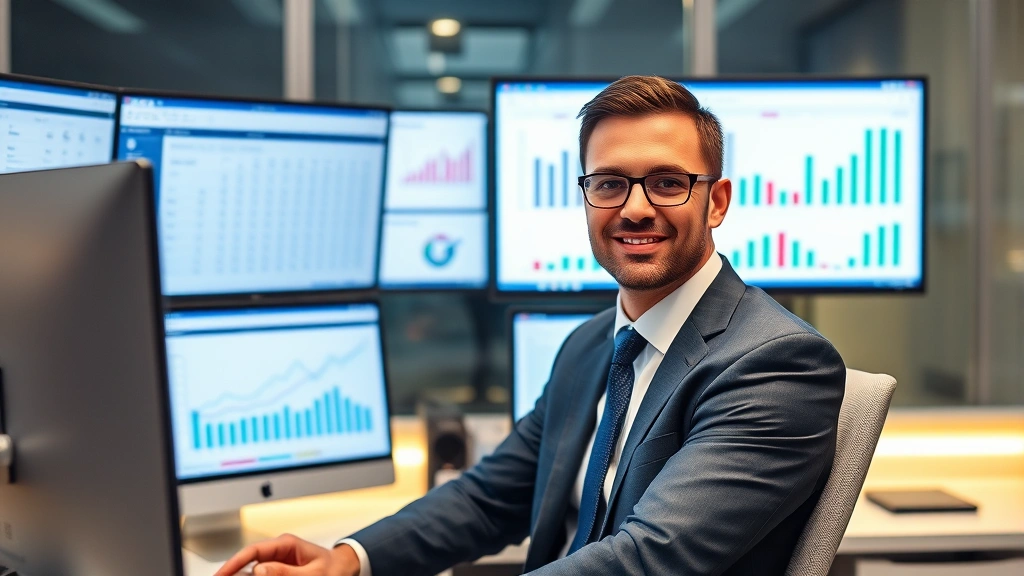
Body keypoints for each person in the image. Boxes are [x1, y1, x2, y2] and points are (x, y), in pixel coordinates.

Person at [216, 75, 846, 576]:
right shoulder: (593, 346)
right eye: (609, 184)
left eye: (666, 183)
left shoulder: (776, 363)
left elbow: (648, 559)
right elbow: (493, 496)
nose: (634, 209)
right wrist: (350, 560)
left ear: (717, 202)